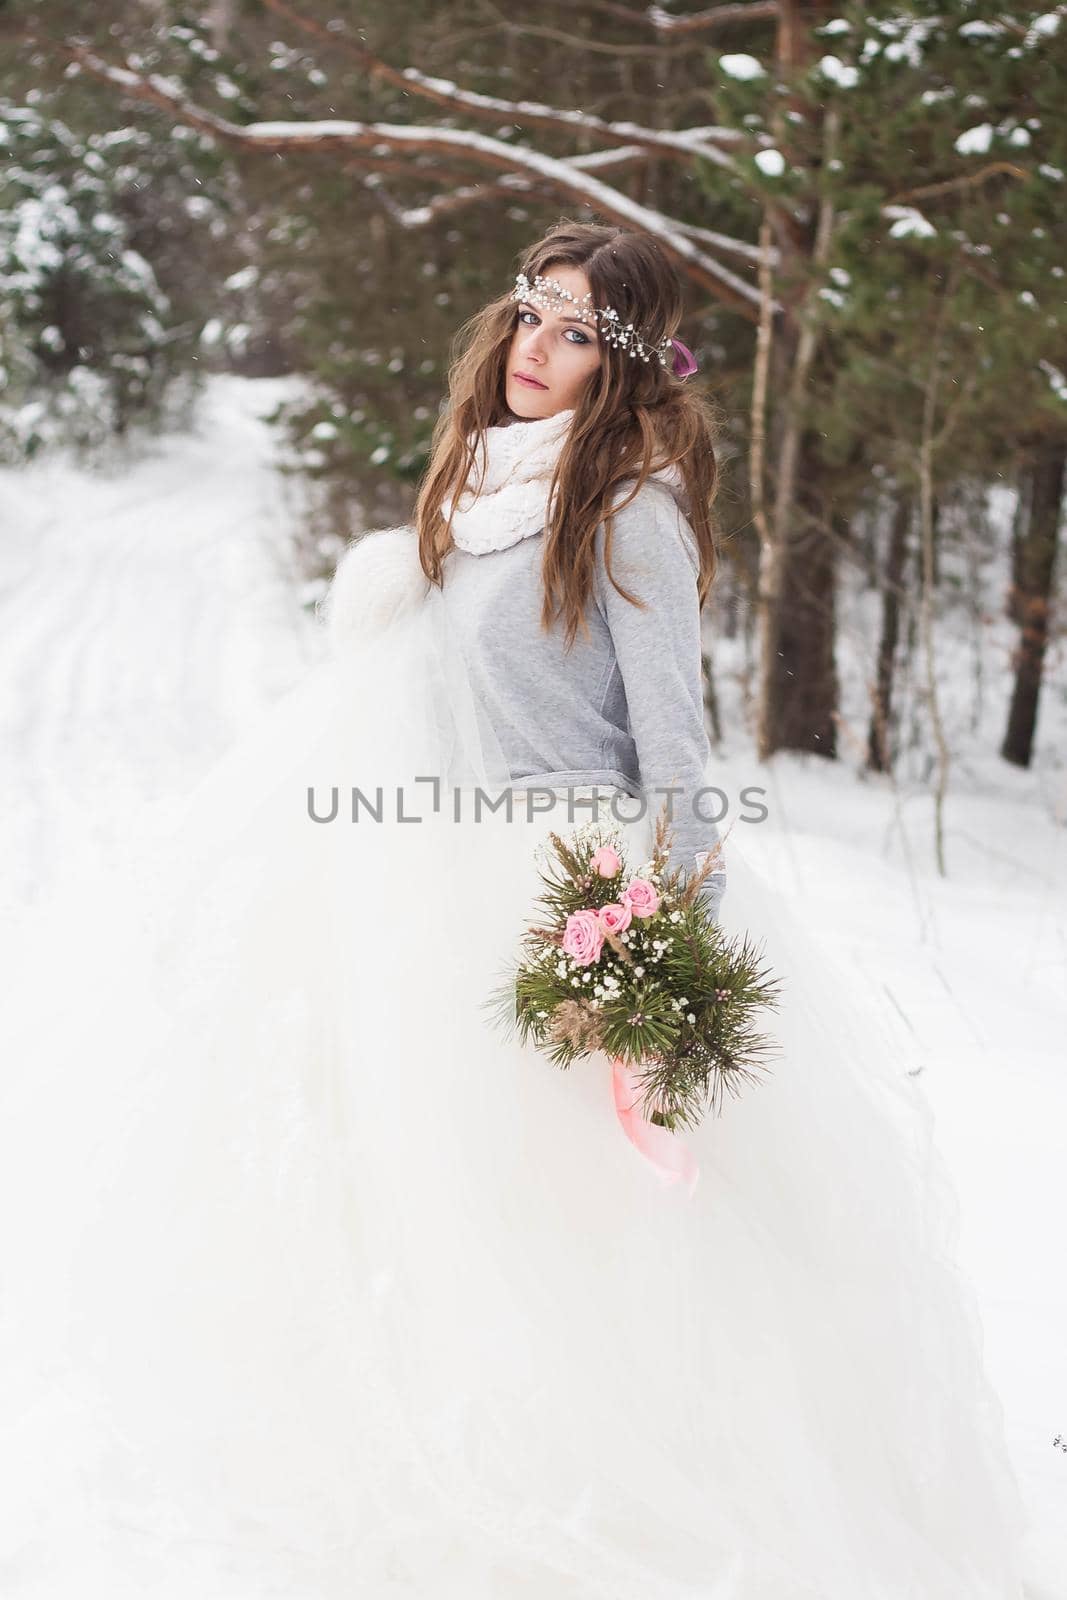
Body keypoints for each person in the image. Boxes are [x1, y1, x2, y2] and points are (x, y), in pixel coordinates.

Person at [0, 222, 1028, 1599]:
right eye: (532, 314)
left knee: (589, 1217)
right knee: (431, 1189)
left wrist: (665, 945)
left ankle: (635, 1500)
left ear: (627, 367)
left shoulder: (628, 506)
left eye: (576, 333)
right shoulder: (487, 481)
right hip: (449, 871)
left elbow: (674, 747)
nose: (536, 349)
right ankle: (461, 1451)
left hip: (581, 884)